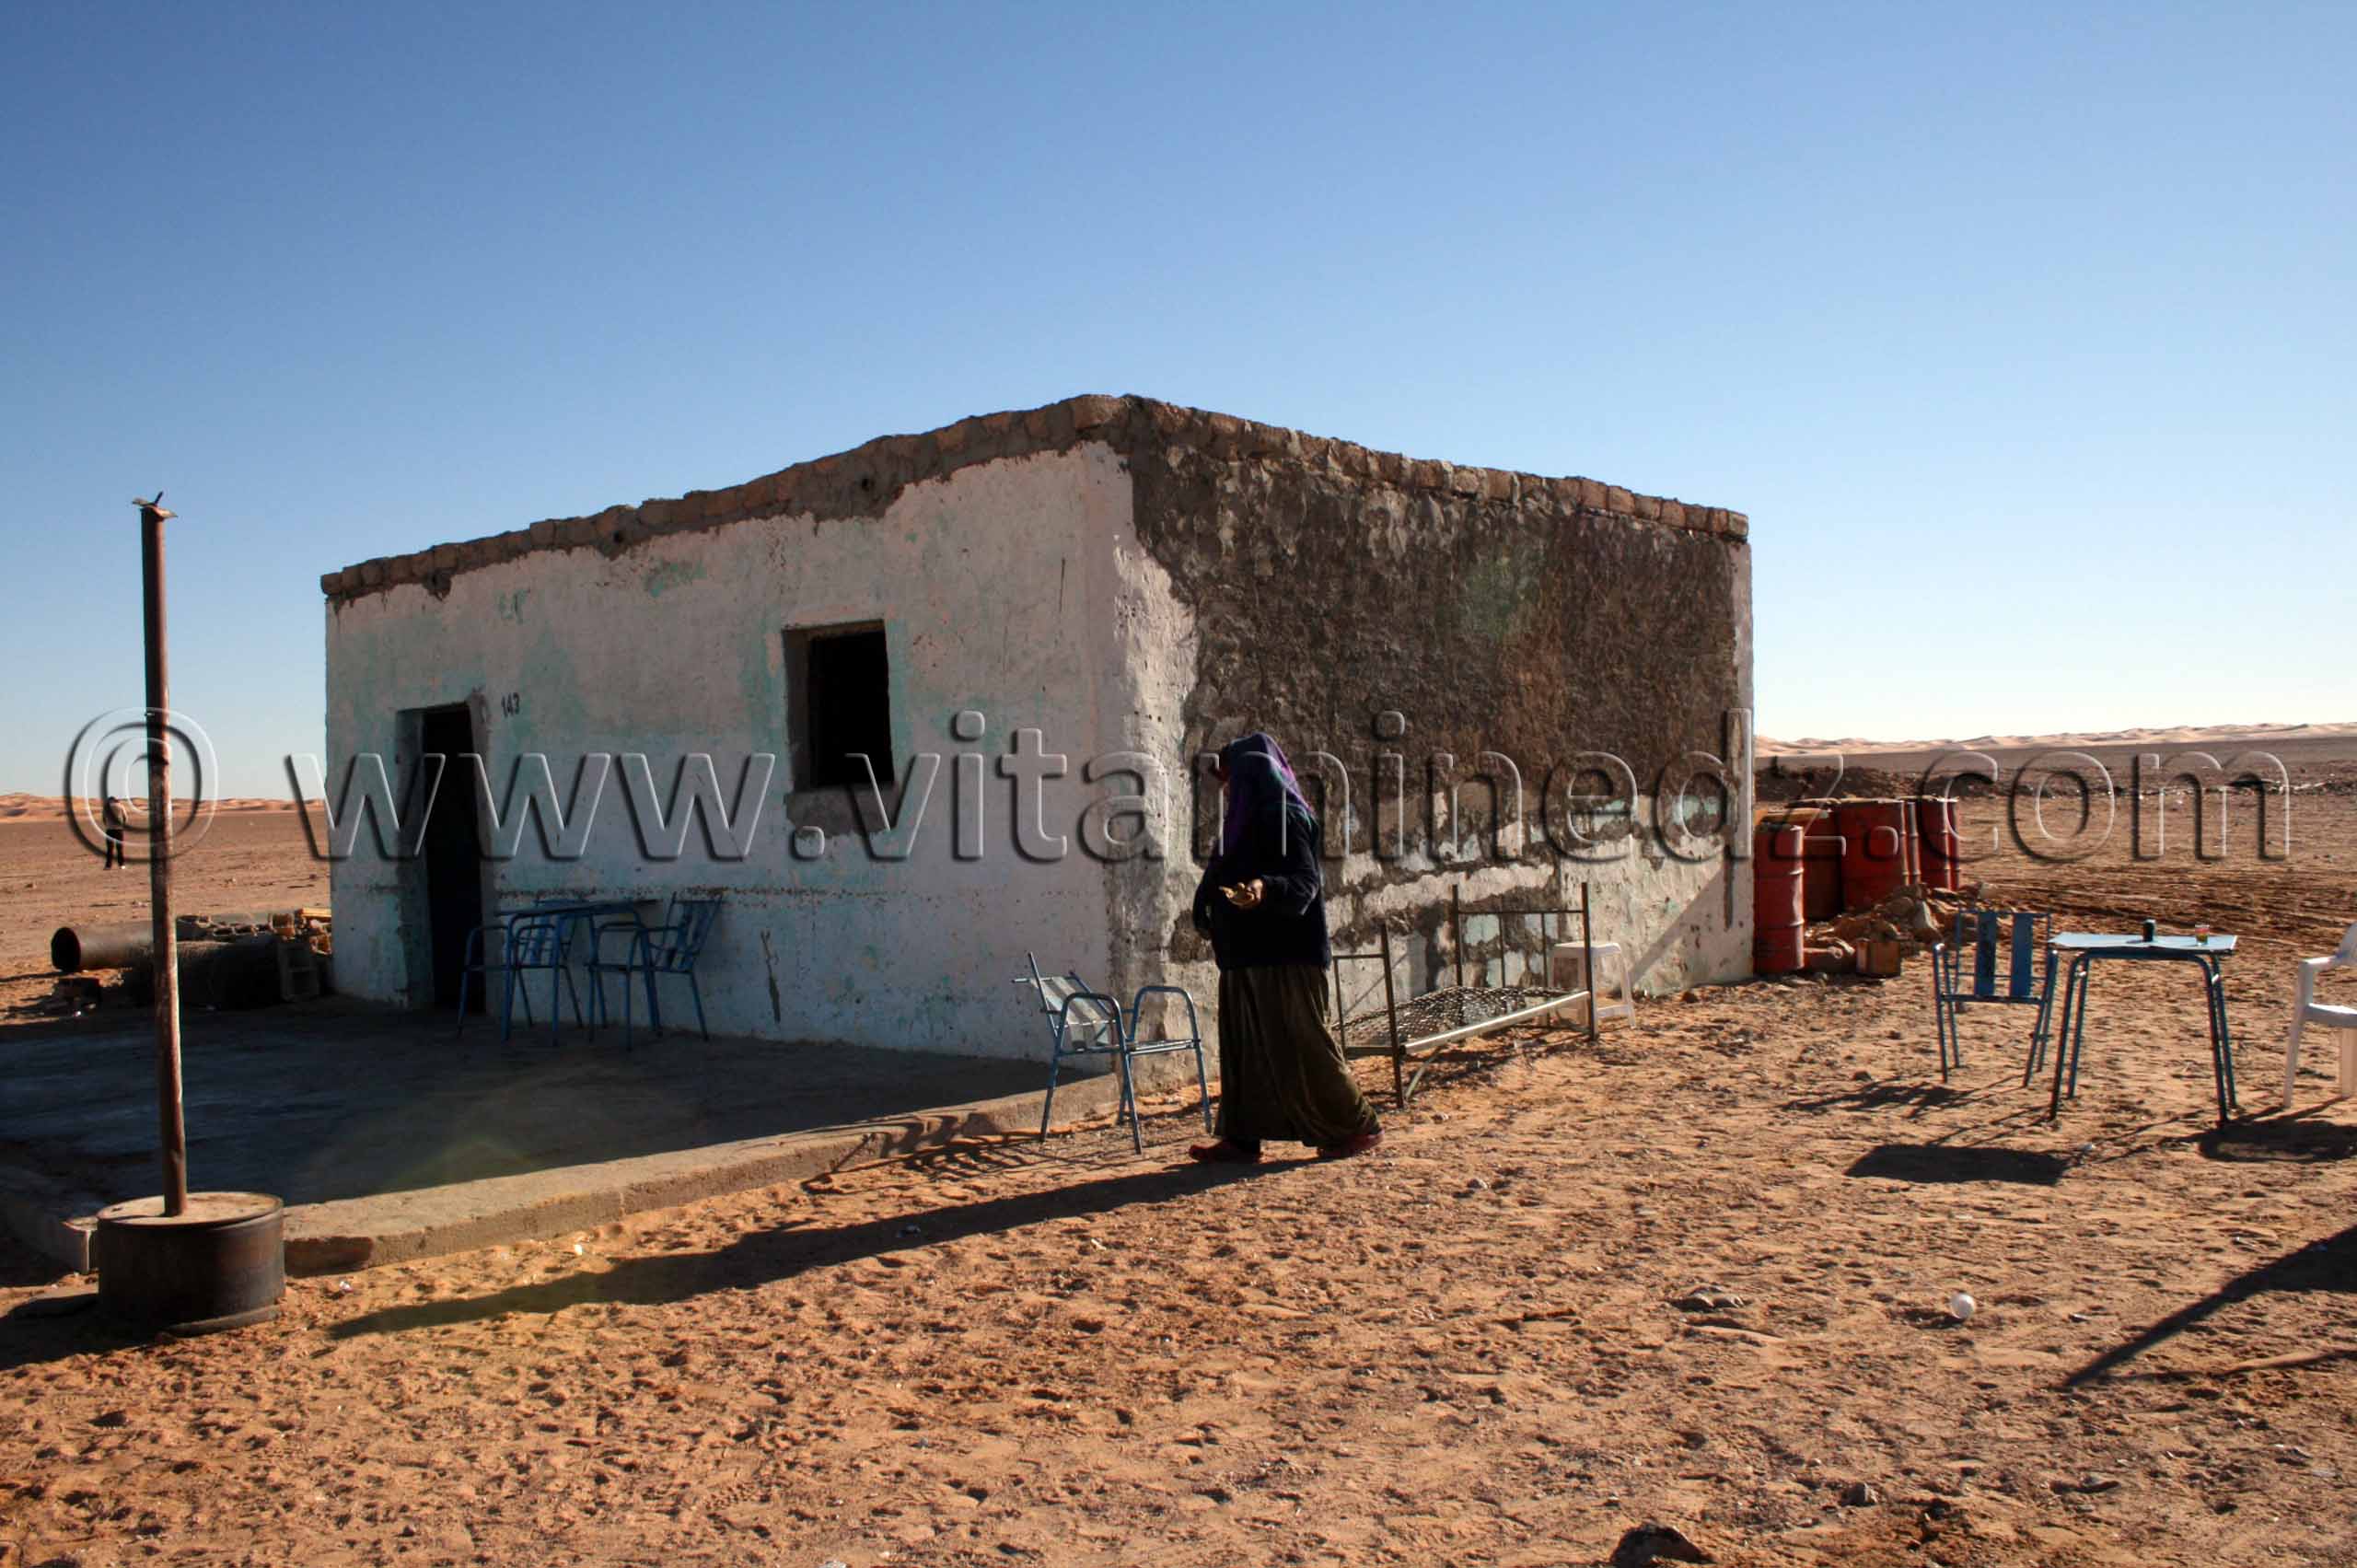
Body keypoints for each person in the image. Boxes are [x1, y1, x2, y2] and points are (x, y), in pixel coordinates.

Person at [1187, 732, 1382, 1163]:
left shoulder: (1286, 816)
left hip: (1287, 954)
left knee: (1307, 1044)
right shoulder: (1242, 822)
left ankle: (1357, 1125)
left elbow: (1305, 882)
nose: (1228, 789)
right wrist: (1206, 906)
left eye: (1232, 779)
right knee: (1245, 1050)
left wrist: (1263, 888)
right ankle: (1242, 1139)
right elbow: (1220, 873)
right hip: (1244, 956)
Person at [99, 795, 126, 871]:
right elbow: (125, 817)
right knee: (120, 849)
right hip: (119, 830)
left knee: (110, 849)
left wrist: (108, 825)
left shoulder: (106, 808)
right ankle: (121, 865)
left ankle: (108, 866)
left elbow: (103, 818)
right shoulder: (121, 806)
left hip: (109, 830)